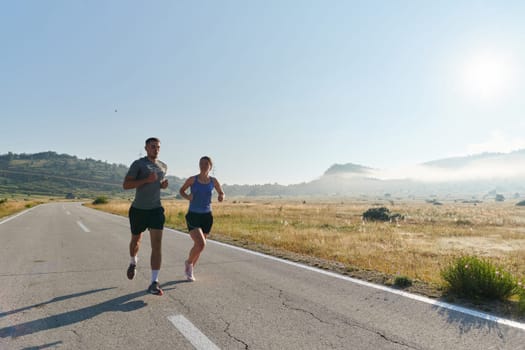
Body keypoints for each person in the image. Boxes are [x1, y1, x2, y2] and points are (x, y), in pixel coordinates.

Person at [123, 137, 168, 295]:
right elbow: (126, 185)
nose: (156, 149)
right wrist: (146, 180)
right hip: (139, 209)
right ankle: (133, 261)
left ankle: (154, 282)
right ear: (146, 148)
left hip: (156, 209)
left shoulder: (163, 166)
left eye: (158, 147)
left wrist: (161, 185)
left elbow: (156, 185)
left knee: (157, 245)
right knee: (136, 240)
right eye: (153, 146)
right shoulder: (138, 164)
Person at [179, 156, 225, 281]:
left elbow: (221, 192)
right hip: (193, 215)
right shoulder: (192, 179)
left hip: (207, 216)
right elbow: (181, 190)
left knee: (200, 246)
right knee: (200, 243)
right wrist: (188, 197)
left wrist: (221, 196)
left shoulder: (213, 181)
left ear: (210, 166)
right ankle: (189, 263)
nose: (203, 165)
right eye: (201, 163)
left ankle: (190, 269)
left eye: (206, 163)